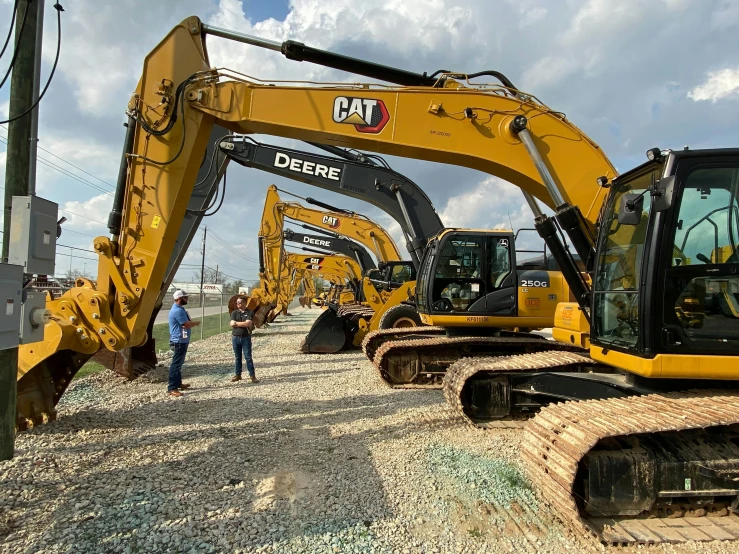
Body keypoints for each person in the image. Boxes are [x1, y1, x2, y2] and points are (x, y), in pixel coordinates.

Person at [167, 290, 201, 397]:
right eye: (185, 297)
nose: (187, 299)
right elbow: (186, 324)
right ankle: (172, 388)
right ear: (178, 299)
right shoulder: (177, 311)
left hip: (182, 340)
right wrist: (195, 323)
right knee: (176, 365)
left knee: (179, 364)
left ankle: (178, 383)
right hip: (178, 341)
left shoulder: (180, 309)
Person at [230, 297, 259, 383]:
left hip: (245, 338)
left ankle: (252, 376)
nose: (238, 304)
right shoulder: (234, 313)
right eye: (237, 302)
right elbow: (231, 323)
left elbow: (248, 324)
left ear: (244, 303)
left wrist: (236, 323)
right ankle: (238, 375)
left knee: (248, 357)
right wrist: (239, 324)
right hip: (235, 338)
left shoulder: (249, 312)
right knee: (237, 357)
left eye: (240, 302)